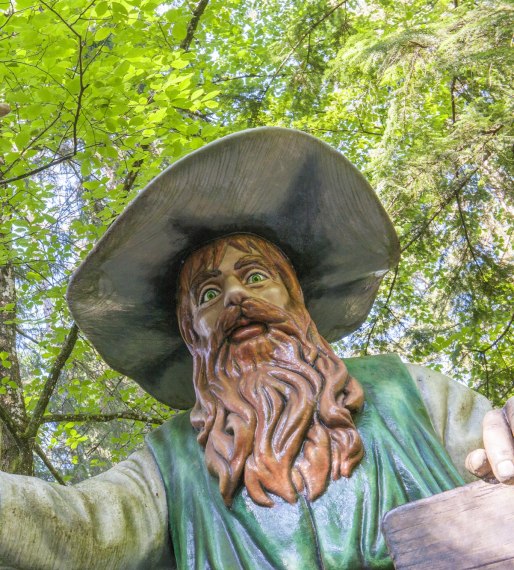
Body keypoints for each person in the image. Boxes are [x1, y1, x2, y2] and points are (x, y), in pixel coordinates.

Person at [0, 128, 511, 569]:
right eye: (207, 294)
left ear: (296, 296)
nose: (235, 297)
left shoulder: (408, 391)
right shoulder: (171, 461)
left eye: (256, 276)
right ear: (191, 333)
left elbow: (495, 448)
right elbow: (78, 530)